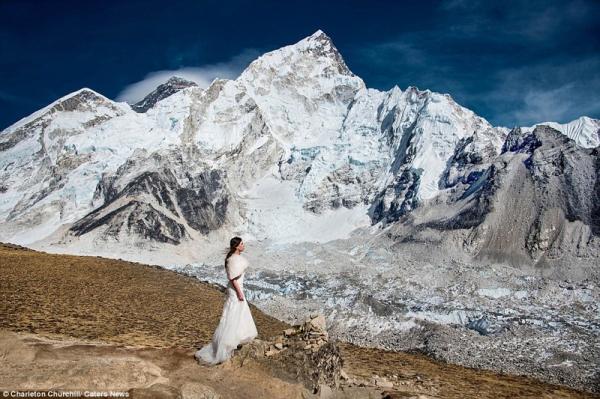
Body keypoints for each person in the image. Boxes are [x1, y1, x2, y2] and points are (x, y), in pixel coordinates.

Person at [194, 236, 258, 364]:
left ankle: (236, 338)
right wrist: (240, 292)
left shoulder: (232, 259)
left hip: (236, 289)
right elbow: (232, 278)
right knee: (233, 313)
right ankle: (228, 343)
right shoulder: (234, 260)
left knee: (236, 313)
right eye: (241, 244)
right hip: (236, 290)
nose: (243, 245)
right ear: (236, 246)